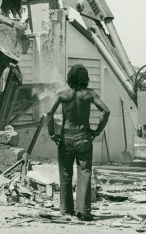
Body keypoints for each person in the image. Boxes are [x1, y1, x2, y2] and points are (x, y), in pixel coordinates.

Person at [45, 64, 110, 221]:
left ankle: (67, 211)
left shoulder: (62, 94)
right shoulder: (89, 94)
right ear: (85, 78)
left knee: (66, 175)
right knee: (85, 173)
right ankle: (84, 211)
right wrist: (97, 131)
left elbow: (49, 113)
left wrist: (53, 133)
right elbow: (106, 111)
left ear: (70, 78)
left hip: (66, 137)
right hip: (84, 137)